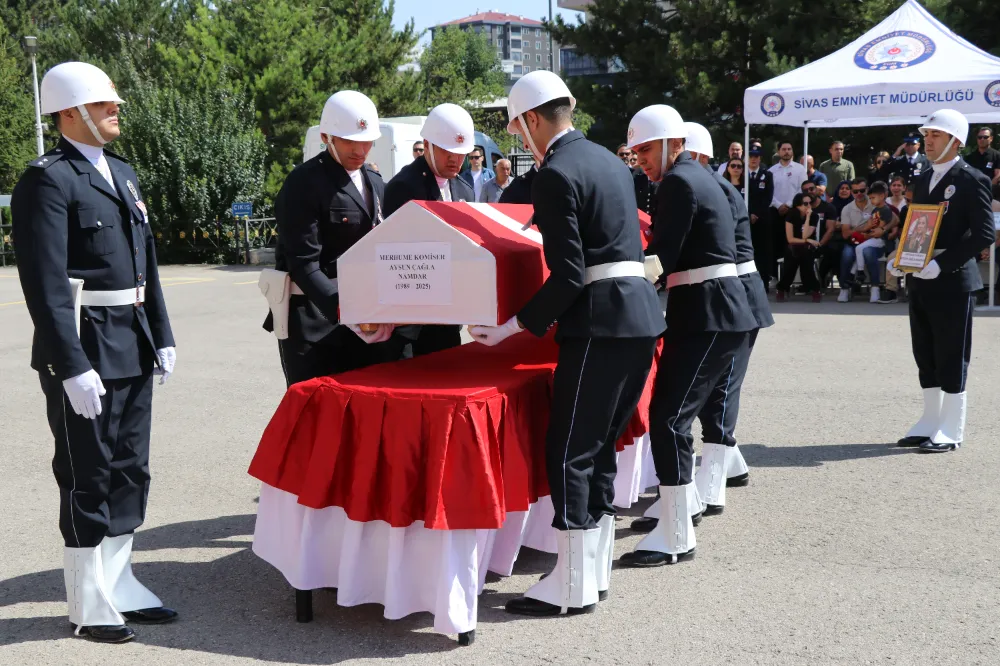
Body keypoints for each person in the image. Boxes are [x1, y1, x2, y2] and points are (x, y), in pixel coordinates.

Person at [471, 71, 663, 617]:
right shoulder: (608, 160)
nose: (519, 138)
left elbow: (569, 275)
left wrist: (508, 326)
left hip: (599, 324)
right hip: (640, 320)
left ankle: (572, 583)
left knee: (570, 450)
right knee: (599, 445)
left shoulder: (554, 174)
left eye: (518, 126)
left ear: (532, 119)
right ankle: (593, 571)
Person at [11, 62, 177, 643]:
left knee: (131, 467)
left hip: (131, 340)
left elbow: (146, 265)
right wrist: (70, 365)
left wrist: (164, 333)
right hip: (84, 346)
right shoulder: (48, 180)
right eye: (104, 105)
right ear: (69, 114)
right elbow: (46, 284)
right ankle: (87, 601)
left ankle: (120, 580)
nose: (115, 112)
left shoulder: (123, 173)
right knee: (88, 471)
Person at [620, 105, 756, 567]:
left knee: (669, 418)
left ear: (669, 143)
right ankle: (685, 506)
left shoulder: (679, 182)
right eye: (635, 153)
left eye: (644, 150)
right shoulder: (697, 178)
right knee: (676, 416)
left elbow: (662, 256)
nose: (640, 161)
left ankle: (676, 532)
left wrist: (621, 279)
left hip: (707, 314)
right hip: (716, 312)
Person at [262, 90, 400, 387]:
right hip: (315, 324)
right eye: (350, 140)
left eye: (367, 141)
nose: (360, 150)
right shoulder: (304, 182)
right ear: (327, 137)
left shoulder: (375, 182)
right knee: (315, 419)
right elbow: (304, 262)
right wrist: (342, 307)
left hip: (365, 321)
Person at [887, 109, 994, 453]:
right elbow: (916, 225)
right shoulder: (923, 178)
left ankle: (952, 426)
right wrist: (902, 256)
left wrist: (944, 263)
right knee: (926, 352)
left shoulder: (971, 178)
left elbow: (983, 233)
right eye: (926, 135)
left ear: (956, 141)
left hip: (951, 279)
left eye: (935, 135)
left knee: (951, 353)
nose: (927, 141)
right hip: (921, 275)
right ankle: (930, 419)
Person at [383, 103, 476, 357]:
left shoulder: (465, 189)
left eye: (462, 153)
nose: (455, 159)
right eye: (447, 151)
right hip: (411, 327)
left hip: (449, 318)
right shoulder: (404, 187)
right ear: (427, 144)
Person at [769, 141, 808, 282]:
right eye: (783, 149)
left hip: (794, 212)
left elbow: (801, 189)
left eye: (789, 149)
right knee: (776, 244)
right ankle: (774, 276)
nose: (786, 151)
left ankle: (793, 278)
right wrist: (779, 205)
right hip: (776, 211)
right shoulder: (771, 171)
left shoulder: (800, 169)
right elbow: (769, 192)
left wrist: (789, 205)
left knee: (793, 245)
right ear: (779, 151)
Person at [775, 193, 821, 301]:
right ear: (798, 205)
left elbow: (805, 235)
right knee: (793, 257)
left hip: (808, 246)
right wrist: (806, 240)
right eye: (805, 203)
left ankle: (812, 288)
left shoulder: (814, 216)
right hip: (794, 245)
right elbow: (790, 239)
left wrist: (808, 217)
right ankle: (783, 288)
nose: (809, 206)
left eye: (810, 203)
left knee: (805, 256)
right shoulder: (791, 215)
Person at [836, 178, 875, 302]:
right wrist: (866, 227)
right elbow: (845, 234)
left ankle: (876, 288)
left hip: (872, 240)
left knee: (869, 253)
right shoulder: (847, 209)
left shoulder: (874, 204)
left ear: (867, 190)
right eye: (855, 191)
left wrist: (856, 229)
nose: (858, 193)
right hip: (853, 242)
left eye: (862, 190)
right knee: (846, 255)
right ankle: (844, 288)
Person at [746, 145, 775, 291]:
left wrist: (756, 213)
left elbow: (767, 197)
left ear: (760, 158)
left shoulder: (767, 175)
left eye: (756, 156)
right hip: (746, 218)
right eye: (751, 156)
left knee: (763, 251)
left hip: (762, 219)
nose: (753, 159)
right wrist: (749, 213)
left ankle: (764, 281)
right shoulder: (742, 174)